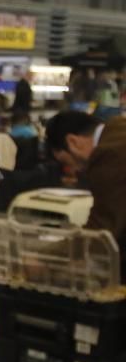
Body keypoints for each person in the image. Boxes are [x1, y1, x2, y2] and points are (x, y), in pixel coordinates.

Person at [44, 110, 126, 270]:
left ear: (73, 142)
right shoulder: (118, 128)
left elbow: (101, 233)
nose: (74, 171)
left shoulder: (109, 154)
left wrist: (45, 259)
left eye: (66, 162)